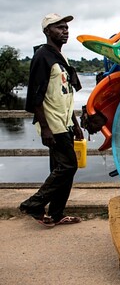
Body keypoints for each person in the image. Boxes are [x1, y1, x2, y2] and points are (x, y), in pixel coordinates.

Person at [19, 13, 84, 228]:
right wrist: (45, 128)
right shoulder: (42, 57)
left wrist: (74, 124)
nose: (65, 31)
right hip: (52, 124)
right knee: (68, 166)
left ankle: (56, 214)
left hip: (64, 122)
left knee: (61, 169)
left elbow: (65, 95)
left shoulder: (60, 57)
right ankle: (34, 204)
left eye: (66, 27)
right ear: (47, 31)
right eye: (59, 27)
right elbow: (36, 97)